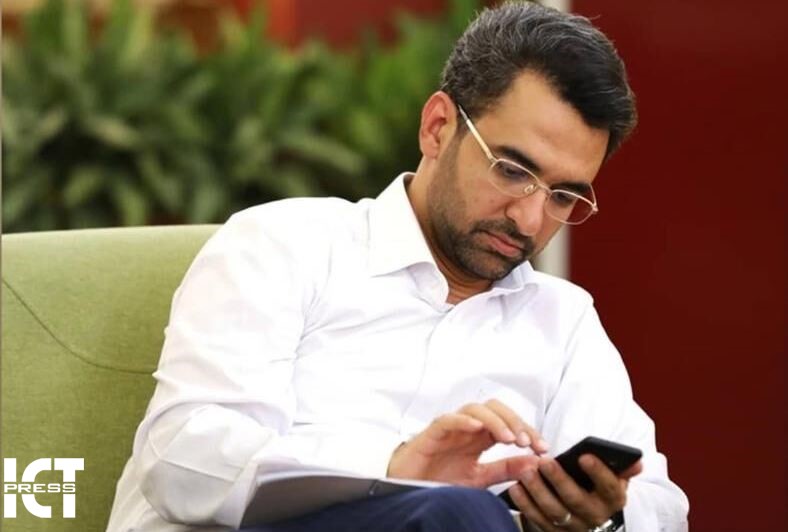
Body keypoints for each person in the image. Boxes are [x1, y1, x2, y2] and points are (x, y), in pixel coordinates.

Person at [106, 2, 689, 531]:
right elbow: (181, 456)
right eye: (513, 171)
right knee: (459, 513)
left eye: (563, 196)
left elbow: (660, 504)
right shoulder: (285, 244)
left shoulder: (563, 321)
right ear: (438, 128)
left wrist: (600, 519)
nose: (530, 219)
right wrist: (392, 468)